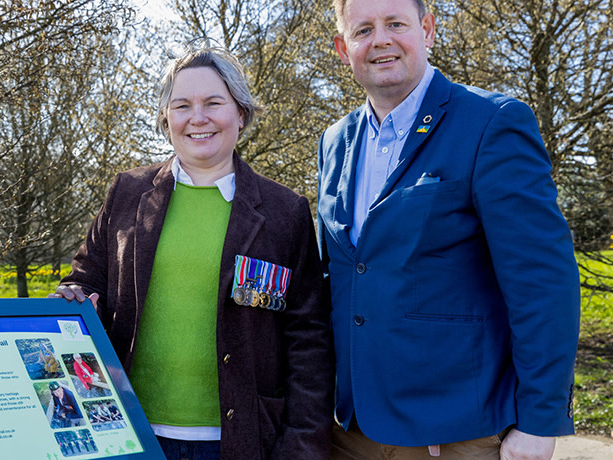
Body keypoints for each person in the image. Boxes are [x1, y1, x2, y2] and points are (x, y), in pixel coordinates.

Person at [317, 0, 582, 458]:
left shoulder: (492, 123)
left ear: (428, 29)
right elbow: (341, 276)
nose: (380, 39)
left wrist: (541, 420)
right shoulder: (334, 141)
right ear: (344, 48)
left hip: (456, 432)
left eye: (395, 24)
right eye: (363, 30)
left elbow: (542, 281)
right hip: (350, 429)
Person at [50, 41, 334, 460]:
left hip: (241, 442)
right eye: (181, 105)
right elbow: (84, 280)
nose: (197, 118)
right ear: (166, 119)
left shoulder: (284, 212)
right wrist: (70, 298)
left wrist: (301, 446)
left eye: (213, 103)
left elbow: (308, 340)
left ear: (240, 112)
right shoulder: (127, 194)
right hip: (131, 434)